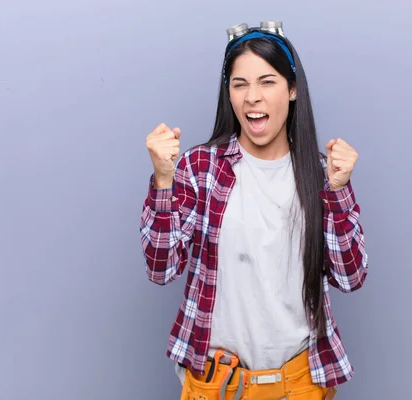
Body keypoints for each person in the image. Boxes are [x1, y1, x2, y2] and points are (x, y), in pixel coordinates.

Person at [140, 21, 368, 400]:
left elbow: (351, 276)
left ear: (292, 90)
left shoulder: (319, 175)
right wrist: (163, 180)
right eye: (239, 84)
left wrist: (339, 192)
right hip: (217, 386)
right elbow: (161, 269)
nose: (252, 97)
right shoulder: (201, 168)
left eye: (267, 82)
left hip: (302, 386)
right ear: (228, 94)